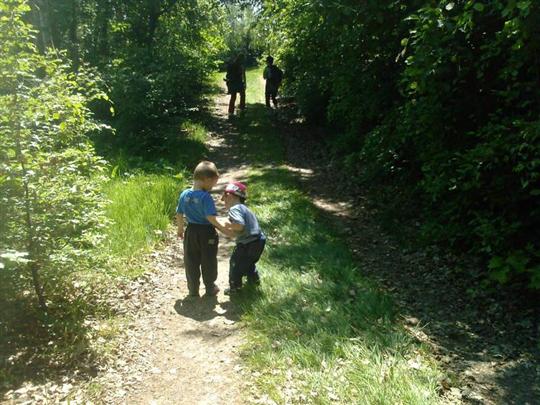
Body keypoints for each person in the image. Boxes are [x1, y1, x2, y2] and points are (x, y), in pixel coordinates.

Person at [176, 161, 227, 298]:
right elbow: (210, 218)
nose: (212, 187)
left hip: (191, 231)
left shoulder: (184, 194)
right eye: (213, 184)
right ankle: (210, 287)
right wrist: (223, 228)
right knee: (208, 259)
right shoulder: (205, 197)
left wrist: (180, 229)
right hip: (207, 232)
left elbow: (179, 214)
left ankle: (193, 289)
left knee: (191, 260)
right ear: (207, 180)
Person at [221, 182, 266, 295]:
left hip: (247, 244)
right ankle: (254, 282)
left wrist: (228, 225)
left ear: (230, 196)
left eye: (224, 198)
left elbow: (240, 225)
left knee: (235, 264)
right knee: (248, 262)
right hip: (259, 241)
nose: (223, 201)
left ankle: (235, 288)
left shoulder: (234, 209)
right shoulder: (246, 209)